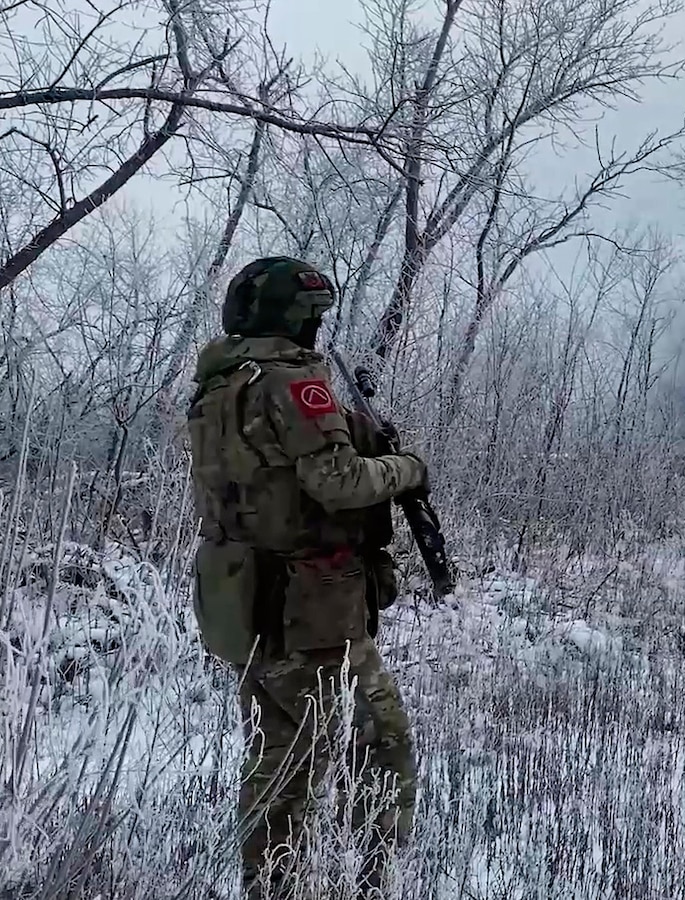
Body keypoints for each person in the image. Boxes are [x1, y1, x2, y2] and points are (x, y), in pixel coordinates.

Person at [186, 256, 429, 899]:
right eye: (313, 317)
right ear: (296, 318)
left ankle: (325, 878)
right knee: (303, 757)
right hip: (307, 607)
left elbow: (263, 483)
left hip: (243, 597)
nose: (318, 329)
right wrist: (407, 468)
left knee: (302, 745)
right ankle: (319, 882)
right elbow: (338, 481)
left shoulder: (218, 385)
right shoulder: (291, 381)